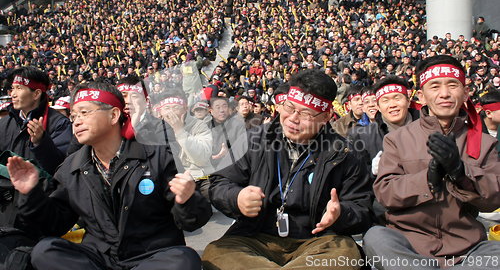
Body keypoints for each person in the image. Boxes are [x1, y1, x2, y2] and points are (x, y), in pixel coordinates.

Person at [7, 82, 212, 270]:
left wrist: (186, 200)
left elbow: (192, 222)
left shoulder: (157, 156)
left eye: (85, 113)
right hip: (100, 258)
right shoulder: (71, 167)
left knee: (184, 259)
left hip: (151, 255)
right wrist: (31, 193)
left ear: (114, 115)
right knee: (45, 251)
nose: (76, 122)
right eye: (74, 116)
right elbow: (56, 224)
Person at [203, 72, 374, 270]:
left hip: (318, 240)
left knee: (346, 253)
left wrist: (341, 214)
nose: (292, 118)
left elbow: (363, 209)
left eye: (306, 113)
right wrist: (236, 197)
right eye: (289, 107)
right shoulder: (254, 139)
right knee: (217, 253)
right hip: (255, 235)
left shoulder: (347, 153)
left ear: (326, 117)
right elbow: (218, 183)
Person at [363, 55, 500, 269]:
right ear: (421, 96)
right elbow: (386, 194)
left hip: (467, 246)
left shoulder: (485, 143)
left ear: (465, 93)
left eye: (452, 85)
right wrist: (427, 179)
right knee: (376, 237)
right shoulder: (397, 139)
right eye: (434, 86)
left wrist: (461, 174)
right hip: (408, 243)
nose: (444, 93)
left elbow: (494, 199)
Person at [0, 66, 72, 174]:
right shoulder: (4, 123)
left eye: (19, 88)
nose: (13, 94)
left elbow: (61, 169)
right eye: (13, 88)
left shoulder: (59, 124)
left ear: (37, 94)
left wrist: (41, 142)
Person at [159, 88, 214, 200]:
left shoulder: (199, 126)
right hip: (169, 180)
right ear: (160, 111)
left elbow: (201, 158)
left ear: (185, 109)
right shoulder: (156, 129)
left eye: (175, 108)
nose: (171, 112)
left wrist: (180, 132)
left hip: (198, 178)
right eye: (167, 108)